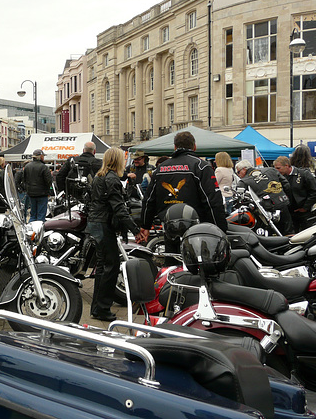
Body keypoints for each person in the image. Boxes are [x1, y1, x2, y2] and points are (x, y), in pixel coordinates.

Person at [137, 131, 227, 246]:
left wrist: (145, 225)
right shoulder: (201, 166)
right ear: (194, 147)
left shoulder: (161, 169)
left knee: (172, 260)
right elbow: (213, 200)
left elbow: (149, 199)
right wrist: (220, 229)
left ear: (175, 147)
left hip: (170, 227)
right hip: (197, 229)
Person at [88, 147, 140, 322]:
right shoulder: (112, 179)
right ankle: (102, 309)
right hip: (103, 224)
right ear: (118, 160)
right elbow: (119, 208)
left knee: (103, 267)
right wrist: (135, 229)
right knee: (111, 266)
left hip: (96, 222)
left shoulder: (99, 177)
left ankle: (97, 308)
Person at [234, 159, 292, 234]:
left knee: (270, 234)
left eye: (238, 172)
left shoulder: (244, 181)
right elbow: (286, 185)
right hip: (283, 203)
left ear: (244, 169)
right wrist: (286, 198)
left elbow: (240, 198)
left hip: (266, 211)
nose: (238, 175)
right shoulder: (271, 170)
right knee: (289, 231)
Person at [274, 155, 316, 232]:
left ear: (286, 166)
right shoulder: (280, 177)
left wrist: (305, 207)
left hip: (305, 213)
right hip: (290, 213)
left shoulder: (304, 174)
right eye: (275, 168)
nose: (277, 170)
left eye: (278, 168)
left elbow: (314, 191)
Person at [22, 149, 53, 222]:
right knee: (41, 216)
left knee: (33, 215)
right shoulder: (44, 167)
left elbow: (24, 180)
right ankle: (39, 231)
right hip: (42, 194)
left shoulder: (27, 166)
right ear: (41, 157)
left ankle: (31, 230)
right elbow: (48, 181)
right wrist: (48, 190)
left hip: (31, 194)